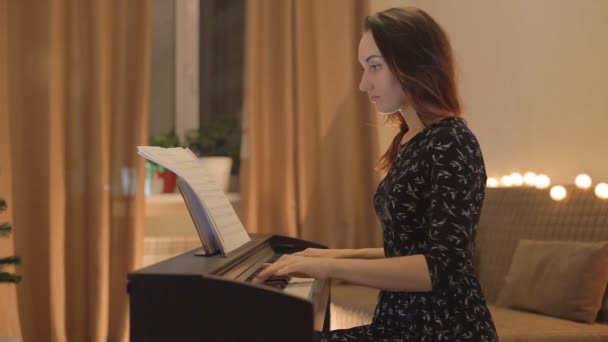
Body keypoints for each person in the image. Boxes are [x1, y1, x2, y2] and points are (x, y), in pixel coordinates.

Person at [254, 6, 498, 342]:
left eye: (374, 67)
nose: (362, 83)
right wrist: (324, 255)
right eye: (363, 68)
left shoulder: (452, 142)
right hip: (401, 326)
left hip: (442, 330)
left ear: (412, 65)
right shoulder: (412, 139)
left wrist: (329, 268)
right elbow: (408, 250)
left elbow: (442, 267)